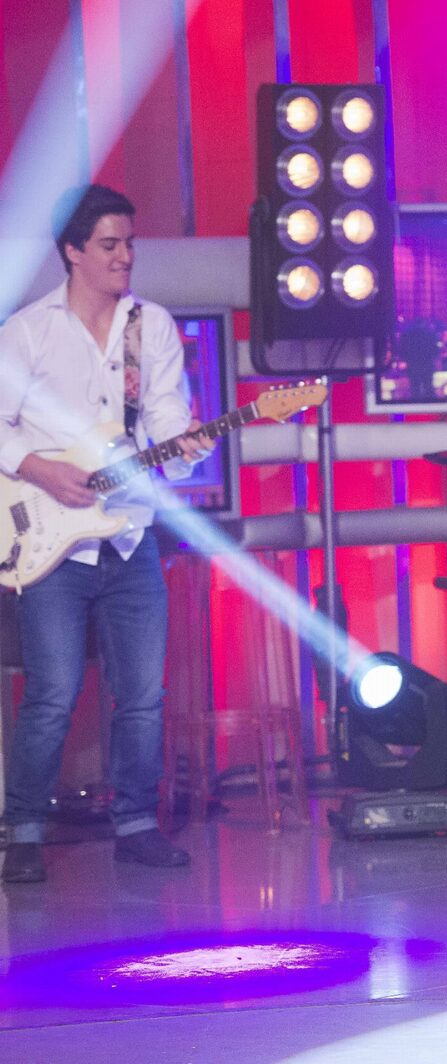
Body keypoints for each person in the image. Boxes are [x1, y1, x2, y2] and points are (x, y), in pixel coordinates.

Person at [0, 184, 214, 885]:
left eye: (129, 244)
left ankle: (136, 824)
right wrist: (41, 469)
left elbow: (165, 423)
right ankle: (22, 831)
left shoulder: (150, 327)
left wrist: (189, 445)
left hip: (129, 535)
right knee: (53, 693)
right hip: (49, 540)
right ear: (73, 251)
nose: (125, 257)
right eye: (109, 245)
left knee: (143, 694)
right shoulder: (29, 331)